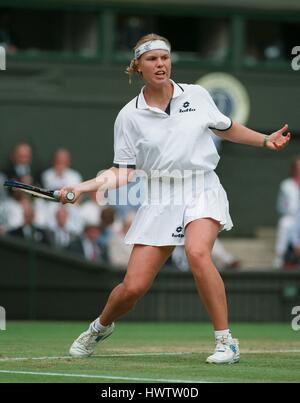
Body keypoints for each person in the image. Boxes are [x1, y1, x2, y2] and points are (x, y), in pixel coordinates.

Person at [60, 33, 290, 364]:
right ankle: (99, 327)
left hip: (201, 186)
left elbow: (225, 127)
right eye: (152, 59)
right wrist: (82, 189)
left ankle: (226, 341)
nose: (161, 64)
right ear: (138, 65)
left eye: (165, 58)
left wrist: (265, 140)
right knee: (133, 287)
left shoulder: (197, 95)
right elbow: (123, 171)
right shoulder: (128, 116)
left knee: (198, 253)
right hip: (160, 197)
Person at [273, 157, 300, 268]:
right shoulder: (286, 185)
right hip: (291, 216)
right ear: (293, 168)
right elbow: (280, 205)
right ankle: (279, 259)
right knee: (284, 224)